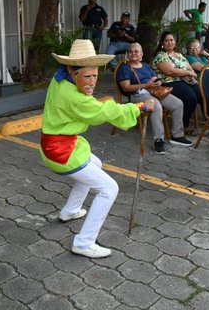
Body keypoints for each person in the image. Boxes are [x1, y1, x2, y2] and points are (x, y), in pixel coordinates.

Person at [40, 39, 154, 258]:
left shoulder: (60, 77)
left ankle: (70, 211)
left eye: (95, 75)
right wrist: (140, 106)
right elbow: (104, 113)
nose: (92, 82)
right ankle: (83, 243)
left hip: (61, 143)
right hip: (61, 152)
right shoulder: (75, 97)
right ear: (73, 72)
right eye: (88, 76)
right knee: (109, 188)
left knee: (96, 165)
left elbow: (97, 105)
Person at [118, 43, 189, 155]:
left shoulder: (145, 65)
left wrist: (158, 81)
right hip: (137, 94)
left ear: (141, 54)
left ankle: (177, 136)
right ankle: (158, 140)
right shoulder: (124, 67)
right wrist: (146, 85)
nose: (133, 53)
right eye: (131, 51)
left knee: (178, 104)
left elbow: (155, 77)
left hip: (155, 91)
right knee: (156, 106)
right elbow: (125, 87)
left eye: (136, 51)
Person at [152, 31, 201, 135]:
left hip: (182, 81)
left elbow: (189, 67)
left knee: (200, 92)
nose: (170, 42)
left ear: (175, 42)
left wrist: (192, 75)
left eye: (171, 40)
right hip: (168, 83)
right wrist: (187, 73)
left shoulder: (179, 55)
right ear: (162, 43)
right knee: (190, 97)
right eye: (166, 40)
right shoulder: (161, 55)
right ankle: (184, 125)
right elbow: (170, 71)